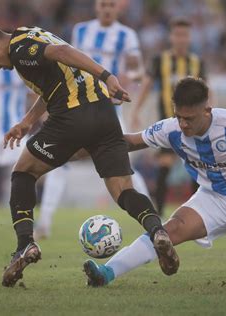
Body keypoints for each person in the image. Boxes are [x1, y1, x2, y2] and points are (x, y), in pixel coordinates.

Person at [0, 21, 177, 287]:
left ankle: (25, 244)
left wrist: (107, 76)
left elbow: (61, 53)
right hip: (104, 114)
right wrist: (28, 121)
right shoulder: (29, 34)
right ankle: (158, 232)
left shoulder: (19, 49)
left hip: (73, 117)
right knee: (122, 190)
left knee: (23, 173)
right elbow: (54, 82)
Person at [83, 77, 226, 287]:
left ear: (206, 110)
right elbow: (132, 142)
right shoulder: (171, 128)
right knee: (166, 233)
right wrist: (90, 143)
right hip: (213, 198)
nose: (183, 124)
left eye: (189, 119)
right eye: (179, 117)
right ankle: (105, 273)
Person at [33, 0, 151, 239]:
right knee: (59, 162)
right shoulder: (81, 30)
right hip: (78, 104)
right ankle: (44, 223)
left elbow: (138, 71)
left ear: (117, 8)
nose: (107, 8)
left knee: (123, 163)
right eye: (103, 4)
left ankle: (152, 215)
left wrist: (130, 76)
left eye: (111, 4)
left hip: (109, 109)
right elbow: (68, 64)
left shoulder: (126, 36)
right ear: (96, 7)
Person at [0, 66, 66, 235]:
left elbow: (35, 95)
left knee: (26, 172)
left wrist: (48, 117)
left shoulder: (20, 68)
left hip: (16, 129)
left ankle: (25, 217)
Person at [131, 17, 205, 216]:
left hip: (194, 125)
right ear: (171, 36)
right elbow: (146, 85)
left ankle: (197, 213)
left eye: (185, 35)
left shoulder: (196, 62)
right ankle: (159, 214)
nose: (181, 39)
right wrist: (136, 110)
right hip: (169, 124)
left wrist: (209, 111)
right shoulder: (160, 60)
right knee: (164, 167)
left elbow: (206, 91)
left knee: (195, 169)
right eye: (178, 34)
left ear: (189, 37)